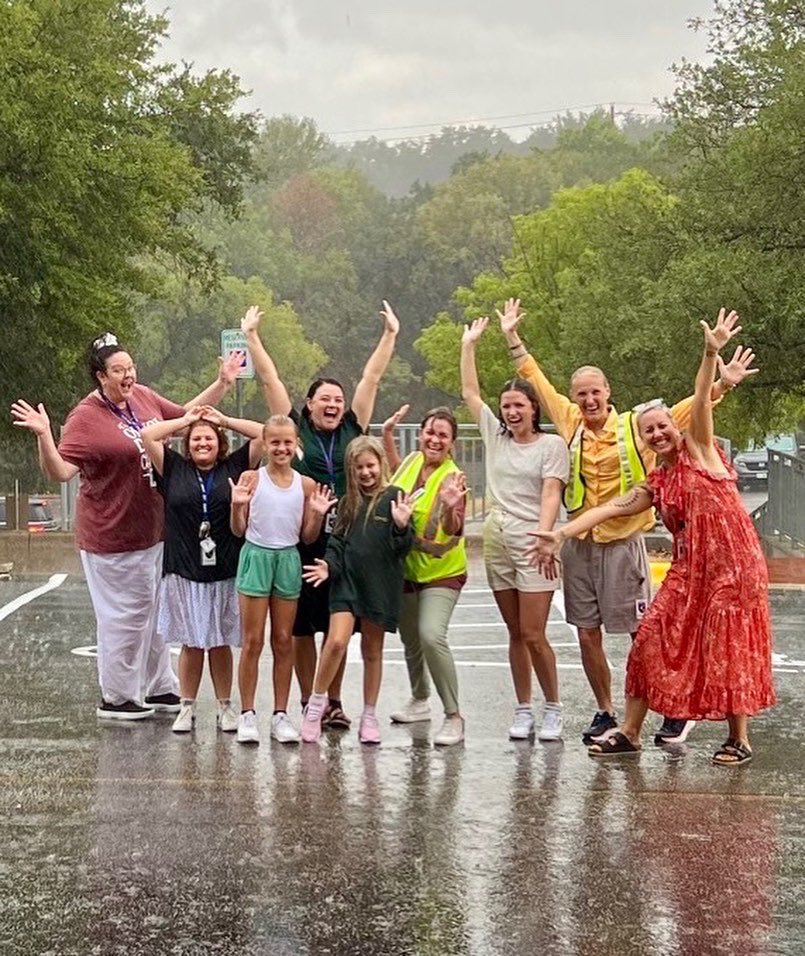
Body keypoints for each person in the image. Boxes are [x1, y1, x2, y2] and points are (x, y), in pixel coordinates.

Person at [499, 297, 751, 745]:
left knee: (645, 633)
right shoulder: (570, 420)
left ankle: (671, 709)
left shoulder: (638, 424)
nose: (589, 399)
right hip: (580, 543)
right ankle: (606, 711)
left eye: (596, 391)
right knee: (587, 634)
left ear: (608, 391)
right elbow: (535, 377)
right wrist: (512, 338)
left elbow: (693, 410)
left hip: (624, 545)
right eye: (582, 393)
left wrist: (722, 384)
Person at [11, 334, 242, 719]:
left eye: (131, 368)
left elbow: (185, 417)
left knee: (154, 612)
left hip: (153, 528)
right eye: (119, 370)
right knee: (125, 617)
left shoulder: (144, 397)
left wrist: (222, 383)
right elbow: (61, 471)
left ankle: (157, 686)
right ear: (101, 376)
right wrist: (44, 435)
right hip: (111, 534)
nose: (128, 375)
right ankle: (117, 696)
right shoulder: (85, 418)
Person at [241, 302, 399, 730]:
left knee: (337, 627)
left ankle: (333, 701)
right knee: (301, 630)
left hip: (344, 540)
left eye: (338, 399)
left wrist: (389, 336)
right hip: (305, 538)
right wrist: (252, 336)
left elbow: (372, 377)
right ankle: (311, 700)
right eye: (324, 398)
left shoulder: (353, 427)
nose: (333, 404)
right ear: (308, 404)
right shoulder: (296, 429)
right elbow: (271, 380)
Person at [460, 317, 570, 742]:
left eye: (518, 405)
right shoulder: (496, 437)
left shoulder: (551, 446)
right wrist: (469, 345)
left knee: (534, 633)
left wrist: (546, 538)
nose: (511, 411)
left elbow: (550, 495)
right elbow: (470, 393)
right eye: (506, 405)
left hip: (533, 540)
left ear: (533, 409)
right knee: (513, 633)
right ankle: (523, 708)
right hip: (497, 539)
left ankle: (554, 707)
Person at [141, 405, 264, 733]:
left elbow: (264, 434)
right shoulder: (173, 467)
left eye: (209, 438)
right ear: (187, 443)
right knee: (192, 643)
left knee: (220, 640)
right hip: (183, 568)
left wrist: (223, 420)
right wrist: (187, 421)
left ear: (219, 443)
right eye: (196, 439)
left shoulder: (234, 466)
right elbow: (147, 435)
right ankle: (186, 706)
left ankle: (225, 706)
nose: (202, 443)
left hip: (224, 567)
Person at [299, 437, 414, 745]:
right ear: (351, 469)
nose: (366, 473)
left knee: (372, 651)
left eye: (371, 466)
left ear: (381, 465)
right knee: (335, 642)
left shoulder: (394, 497)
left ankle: (370, 715)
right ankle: (316, 704)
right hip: (345, 583)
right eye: (359, 467)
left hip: (379, 585)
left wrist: (402, 526)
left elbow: (402, 548)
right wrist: (328, 566)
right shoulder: (347, 501)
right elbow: (337, 542)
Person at [229, 415, 336, 745]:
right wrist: (237, 506)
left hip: (288, 558)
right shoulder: (251, 479)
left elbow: (307, 537)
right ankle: (247, 713)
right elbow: (239, 529)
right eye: (274, 442)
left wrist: (316, 514)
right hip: (256, 556)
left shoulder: (305, 485)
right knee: (252, 641)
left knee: (283, 640)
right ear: (264, 443)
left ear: (296, 444)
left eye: (287, 442)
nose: (281, 448)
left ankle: (280, 714)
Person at [381, 404, 468, 747]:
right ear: (421, 434)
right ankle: (420, 699)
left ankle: (454, 716)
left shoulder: (453, 478)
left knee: (431, 635)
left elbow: (455, 528)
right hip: (405, 570)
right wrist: (388, 435)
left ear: (452, 443)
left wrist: (449, 507)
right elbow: (394, 475)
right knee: (410, 639)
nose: (434, 439)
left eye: (442, 435)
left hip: (441, 572)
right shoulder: (412, 461)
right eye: (430, 432)